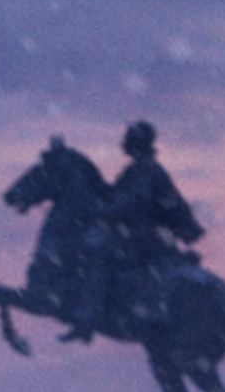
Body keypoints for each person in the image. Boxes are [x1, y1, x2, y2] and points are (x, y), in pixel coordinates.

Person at [68, 122, 206, 341]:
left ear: (138, 143)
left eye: (129, 139)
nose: (124, 143)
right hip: (142, 231)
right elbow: (114, 194)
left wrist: (104, 211)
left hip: (150, 234)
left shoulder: (146, 169)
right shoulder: (136, 168)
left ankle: (89, 315)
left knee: (98, 253)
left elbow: (131, 201)